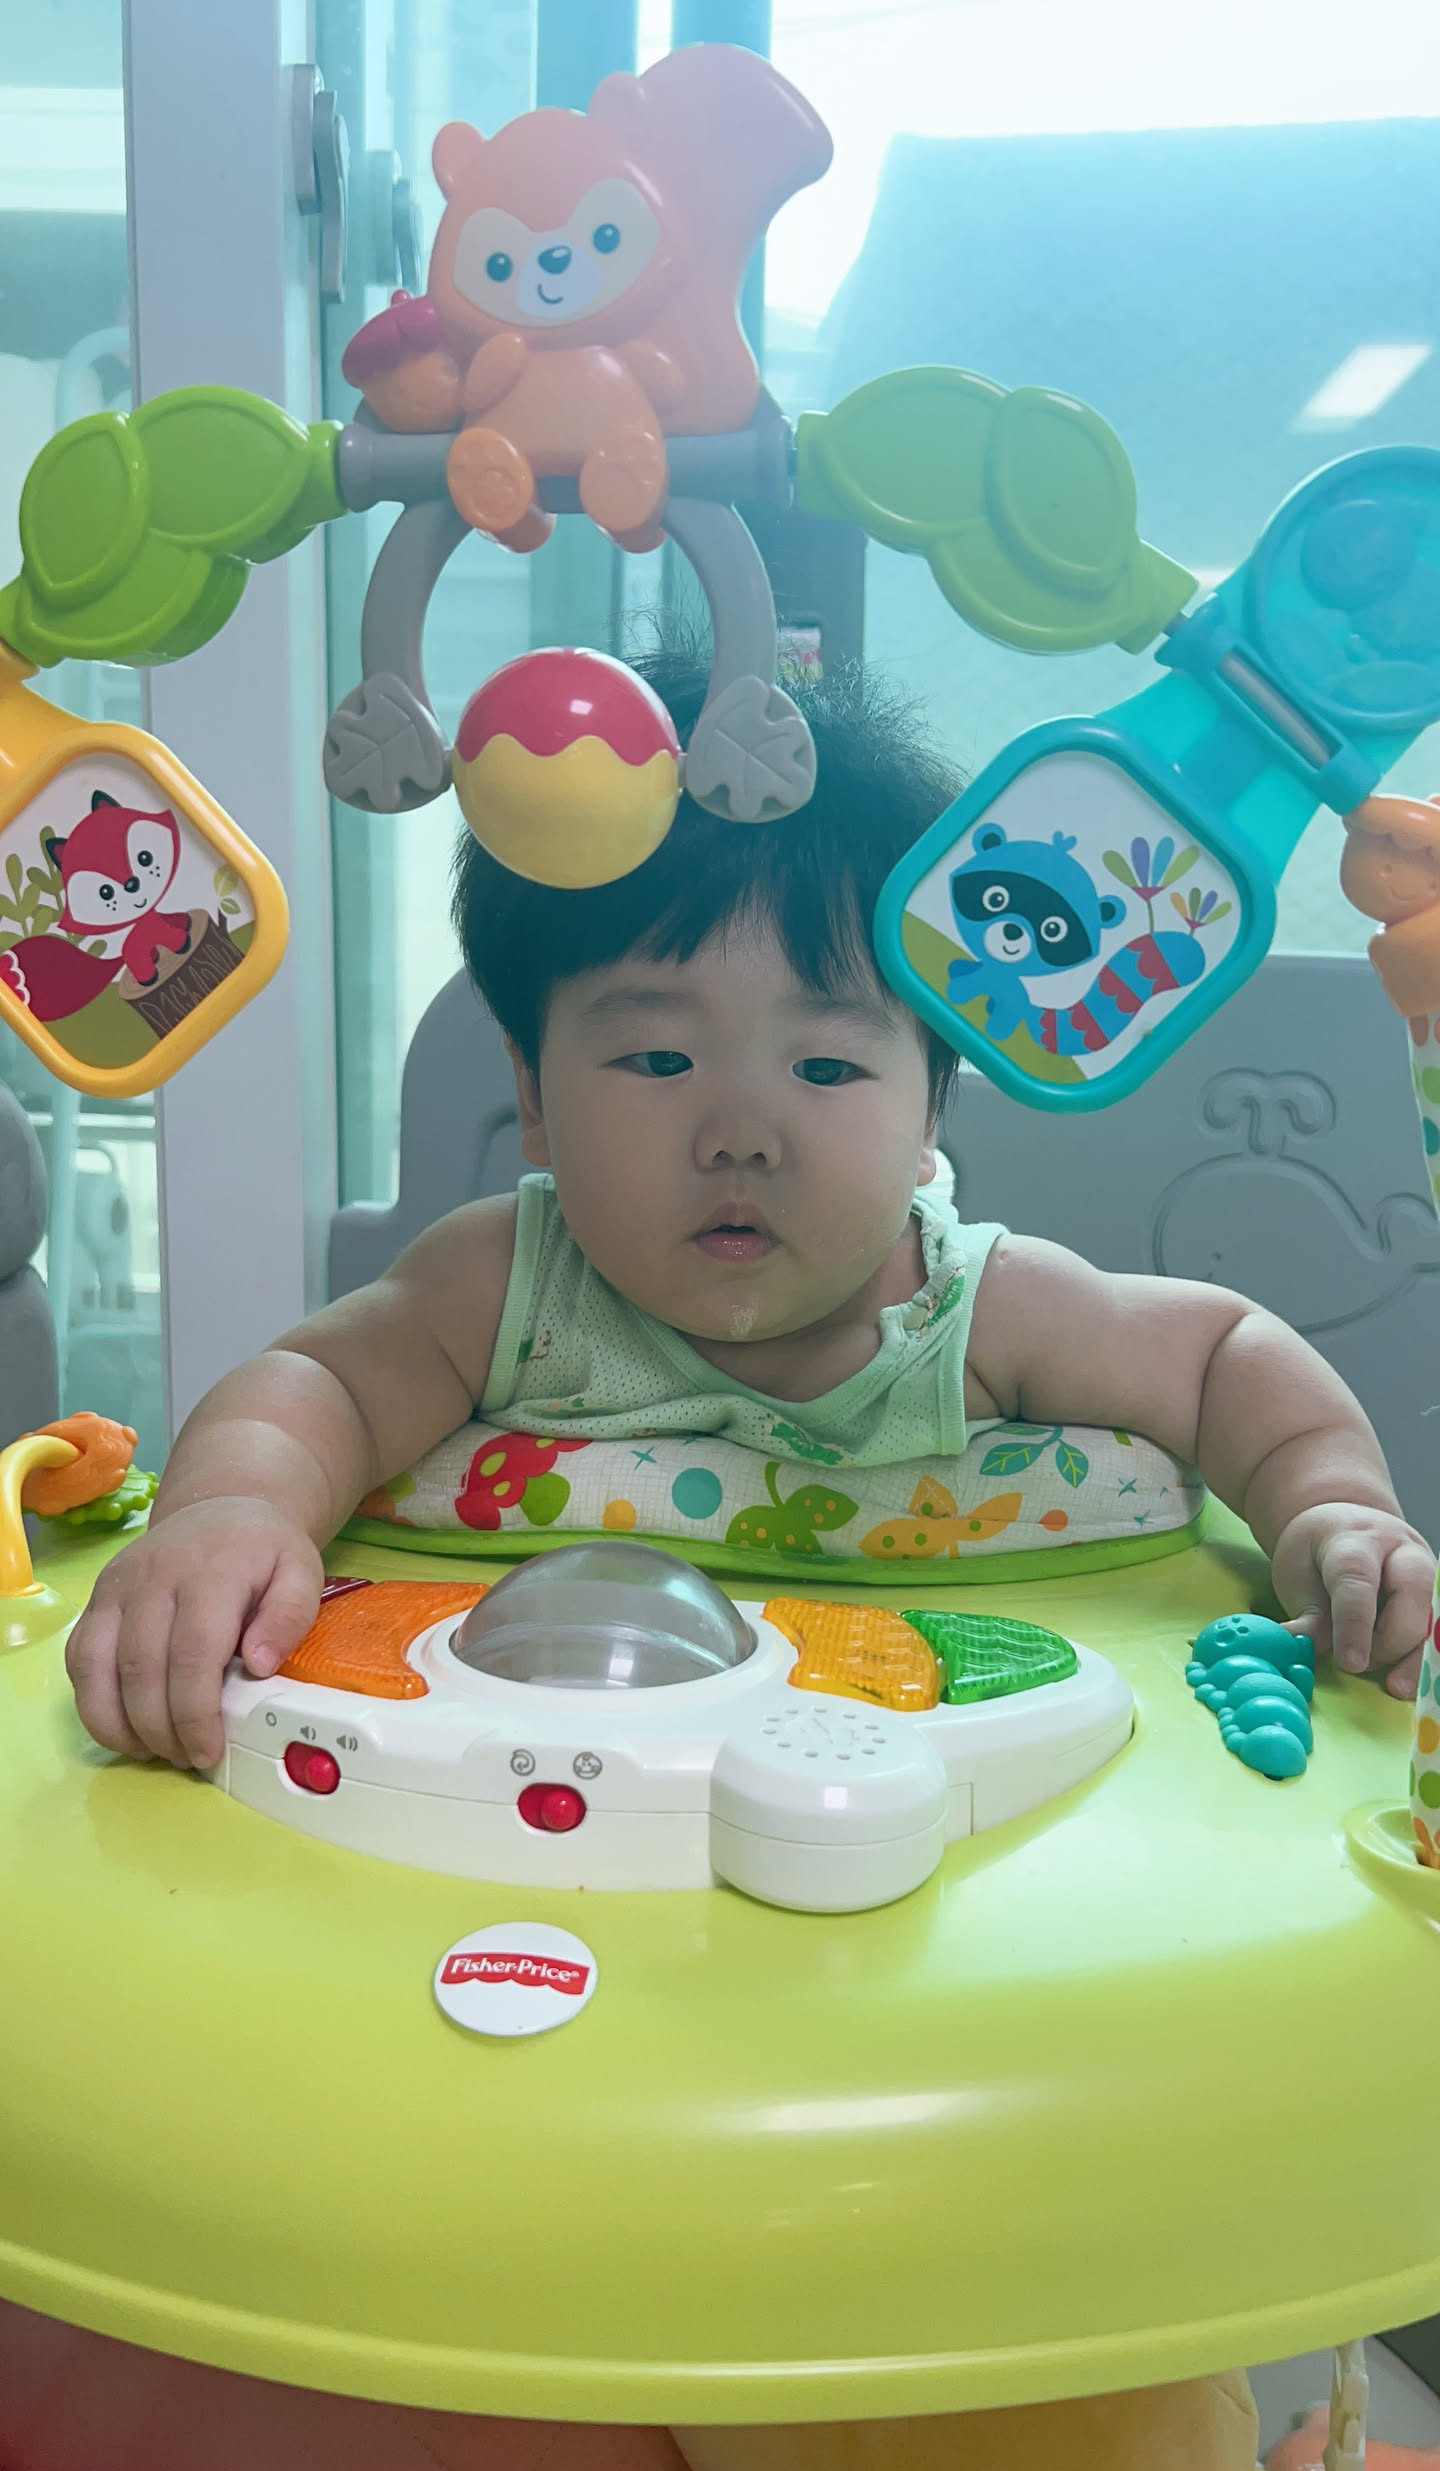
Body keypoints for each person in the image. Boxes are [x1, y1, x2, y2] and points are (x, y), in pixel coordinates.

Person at [66, 654, 1436, 1768]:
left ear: (931, 1109)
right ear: (533, 1094)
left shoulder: (972, 1313)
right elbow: (313, 1382)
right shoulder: (504, 1287)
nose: (739, 1135)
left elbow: (1223, 1354)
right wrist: (228, 1509)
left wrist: (1330, 1509)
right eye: (657, 1060)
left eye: (828, 1069)